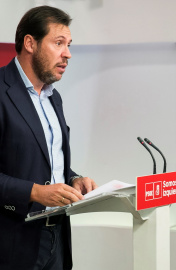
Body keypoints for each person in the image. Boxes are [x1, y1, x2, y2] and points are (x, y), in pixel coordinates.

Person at [0, 5, 97, 270]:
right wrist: (35, 192)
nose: (68, 54)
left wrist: (73, 179)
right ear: (30, 43)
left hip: (57, 238)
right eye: (58, 43)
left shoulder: (54, 98)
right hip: (12, 244)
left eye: (69, 44)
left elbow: (45, 160)